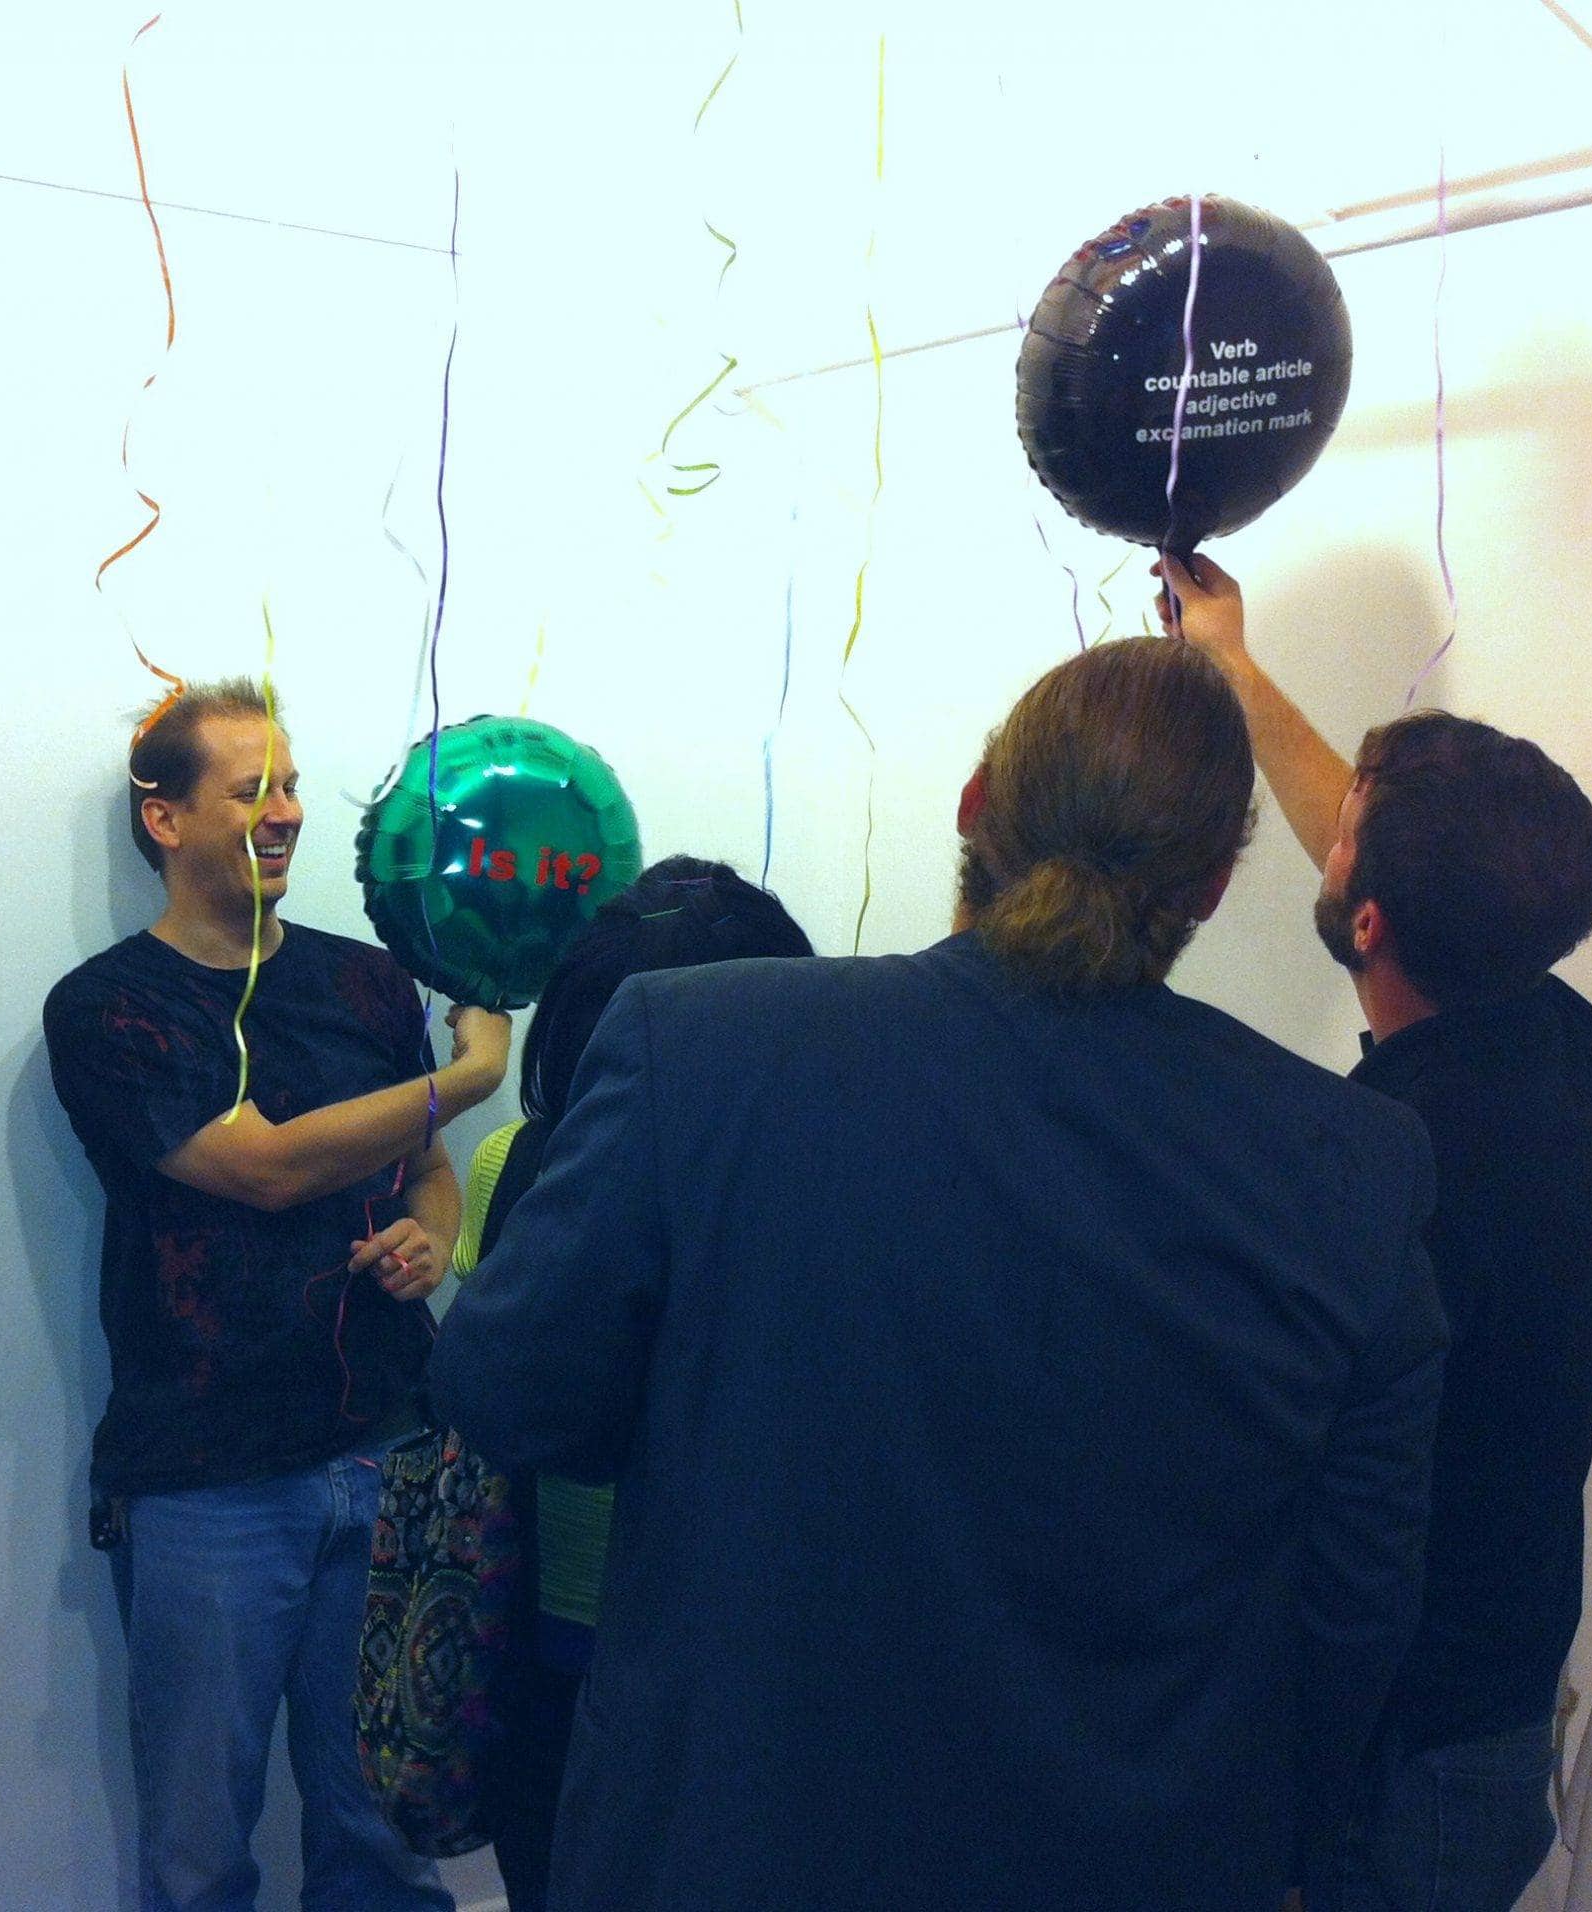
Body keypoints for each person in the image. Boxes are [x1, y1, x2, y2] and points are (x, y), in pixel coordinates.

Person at [430, 637, 1449, 1912]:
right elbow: (1357, 1604)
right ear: (1212, 884)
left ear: (974, 806)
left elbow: (503, 1389)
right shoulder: (1350, 1163)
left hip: (737, 1838)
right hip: (1132, 1862)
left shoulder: (699, 1049)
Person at [1163, 555, 1592, 1912]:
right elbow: (1398, 879)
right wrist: (1231, 664)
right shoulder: (1568, 1046)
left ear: (1366, 918)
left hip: (1401, 1757)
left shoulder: (1376, 1165)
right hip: (1496, 1709)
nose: (1329, 835)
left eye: (1346, 837)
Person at [41, 678, 511, 1912]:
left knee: (385, 1842)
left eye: (291, 786)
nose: (286, 812)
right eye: (252, 790)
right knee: (199, 1859)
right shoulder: (108, 1006)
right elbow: (263, 1166)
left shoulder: (368, 983)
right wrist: (471, 1075)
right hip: (209, 1477)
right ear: (164, 819)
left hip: (391, 1453)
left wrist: (429, 1236)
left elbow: (425, 1173)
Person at [442, 856, 810, 1912]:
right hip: (756, 1622)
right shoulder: (825, 1174)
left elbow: (496, 1382)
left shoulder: (518, 1161)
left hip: (560, 1623)